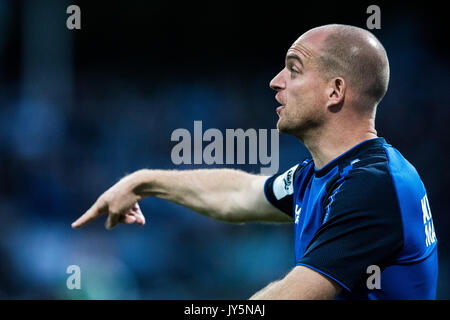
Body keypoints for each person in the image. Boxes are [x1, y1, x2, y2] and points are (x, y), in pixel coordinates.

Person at [72, 24, 438, 300]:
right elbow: (238, 194)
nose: (275, 82)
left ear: (335, 91)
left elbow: (289, 297)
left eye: (293, 70)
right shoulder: (323, 174)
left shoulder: (373, 185)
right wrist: (143, 182)